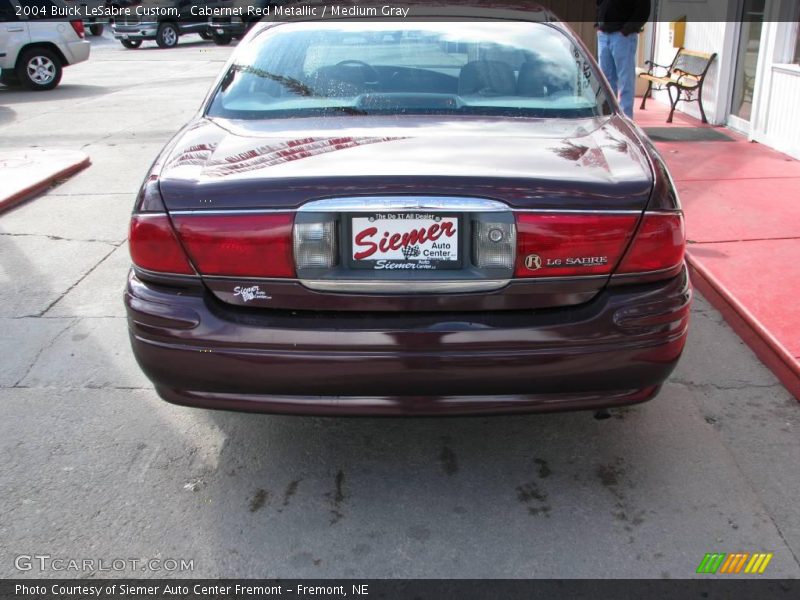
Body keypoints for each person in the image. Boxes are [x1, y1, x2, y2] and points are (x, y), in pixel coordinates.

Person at [596, 0, 651, 118]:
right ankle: (608, 118)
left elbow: (643, 10)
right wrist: (599, 24)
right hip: (604, 34)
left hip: (623, 37)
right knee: (605, 82)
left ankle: (626, 121)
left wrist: (627, 29)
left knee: (625, 82)